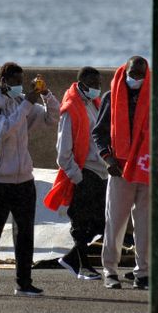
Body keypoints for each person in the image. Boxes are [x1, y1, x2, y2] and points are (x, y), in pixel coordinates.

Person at [0, 62, 59, 297]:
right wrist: (27, 103)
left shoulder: (23, 101)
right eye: (14, 81)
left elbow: (53, 118)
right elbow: (3, 130)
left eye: (21, 82)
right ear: (3, 81)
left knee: (25, 234)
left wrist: (46, 95)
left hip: (24, 178)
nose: (19, 86)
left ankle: (24, 283)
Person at [94, 56, 152, 290]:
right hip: (120, 169)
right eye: (133, 74)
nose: (136, 78)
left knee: (145, 224)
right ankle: (110, 270)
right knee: (115, 223)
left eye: (140, 75)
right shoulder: (111, 97)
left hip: (146, 168)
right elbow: (99, 133)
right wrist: (107, 159)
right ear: (125, 71)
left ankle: (144, 272)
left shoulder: (153, 98)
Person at [45, 66, 105, 280]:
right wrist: (77, 176)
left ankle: (72, 259)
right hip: (83, 172)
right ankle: (83, 266)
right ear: (82, 85)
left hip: (99, 172)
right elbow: (63, 152)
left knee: (102, 222)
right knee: (81, 222)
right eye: (94, 84)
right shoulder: (71, 109)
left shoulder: (94, 105)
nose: (98, 88)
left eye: (99, 84)